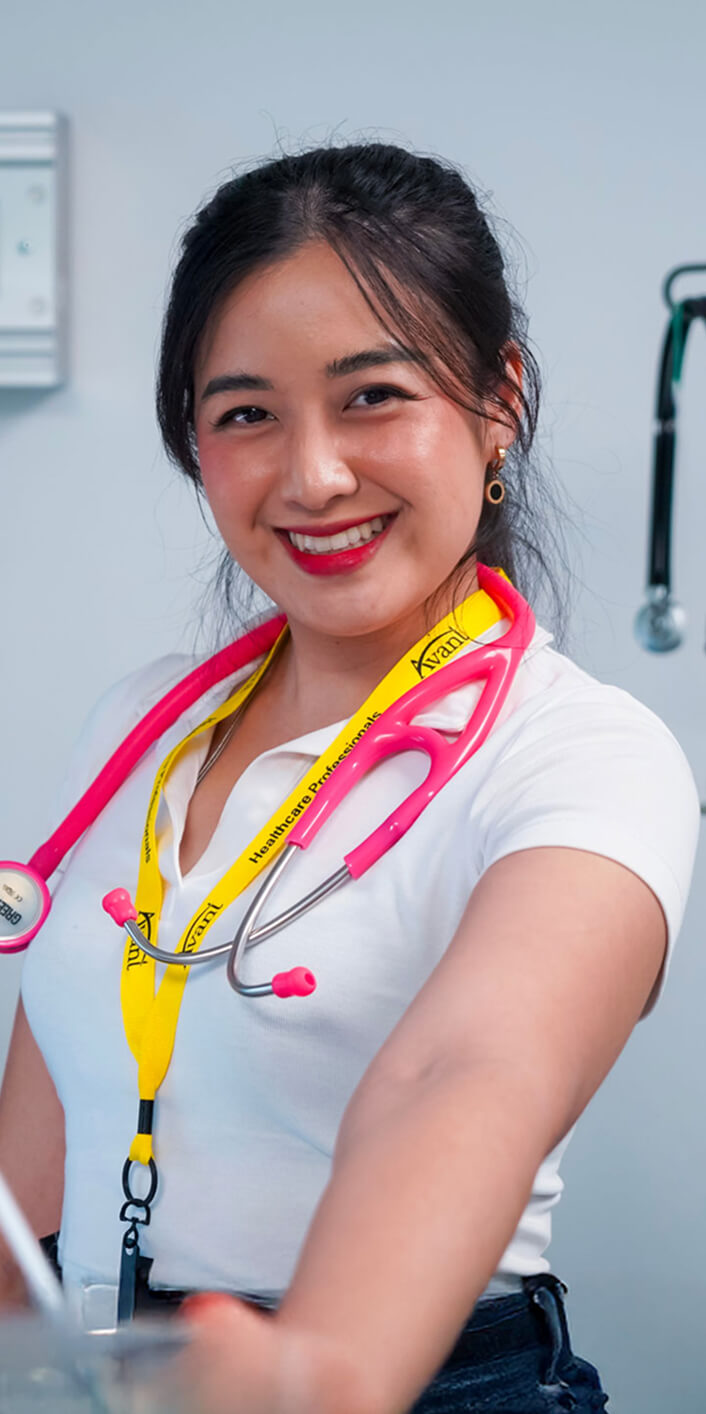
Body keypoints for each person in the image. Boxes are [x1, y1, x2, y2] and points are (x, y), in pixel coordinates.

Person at [0, 142, 700, 1414]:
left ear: (498, 402)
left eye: (372, 395)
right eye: (246, 413)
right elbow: (39, 1152)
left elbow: (467, 1071)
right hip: (110, 1377)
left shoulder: (583, 755)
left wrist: (320, 1370)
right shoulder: (141, 730)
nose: (312, 475)